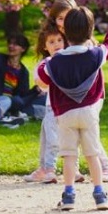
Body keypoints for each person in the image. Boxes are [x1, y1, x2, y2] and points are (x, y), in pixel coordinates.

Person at [36, 6, 108, 211]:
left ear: (64, 32)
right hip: (89, 113)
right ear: (90, 31)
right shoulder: (95, 54)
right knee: (92, 154)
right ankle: (100, 194)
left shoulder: (54, 62)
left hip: (65, 115)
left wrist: (46, 62)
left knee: (69, 155)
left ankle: (69, 195)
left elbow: (41, 79)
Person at [24, 23, 66, 184]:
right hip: (53, 106)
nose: (56, 44)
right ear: (45, 46)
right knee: (47, 137)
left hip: (58, 108)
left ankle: (50, 169)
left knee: (54, 139)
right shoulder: (46, 63)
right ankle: (45, 168)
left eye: (59, 40)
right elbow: (40, 83)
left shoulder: (68, 61)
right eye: (51, 42)